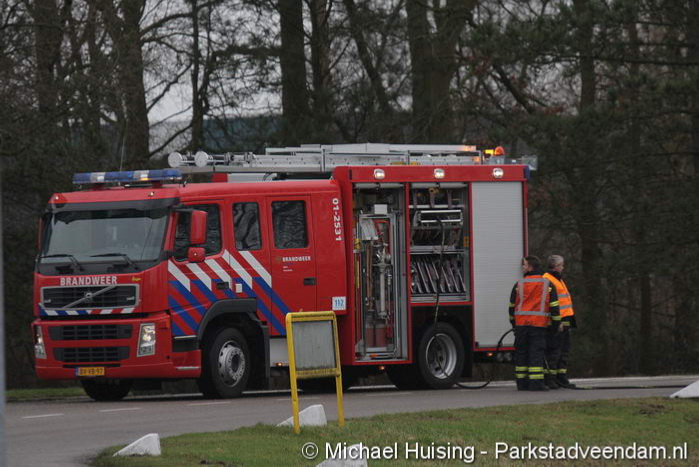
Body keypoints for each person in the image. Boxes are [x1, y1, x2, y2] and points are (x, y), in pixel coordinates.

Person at [509, 256, 560, 391]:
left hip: (521, 325)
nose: (523, 267)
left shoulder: (519, 284)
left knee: (521, 353)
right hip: (538, 325)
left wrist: (514, 324)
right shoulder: (547, 284)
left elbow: (512, 306)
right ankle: (536, 384)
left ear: (531, 267)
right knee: (536, 353)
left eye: (524, 265)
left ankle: (522, 383)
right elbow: (554, 308)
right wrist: (555, 327)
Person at [544, 255, 577, 389]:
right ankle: (551, 378)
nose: (563, 267)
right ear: (556, 266)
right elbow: (549, 304)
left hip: (566, 319)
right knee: (555, 351)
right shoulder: (547, 279)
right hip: (557, 321)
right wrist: (556, 322)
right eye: (561, 265)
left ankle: (561, 377)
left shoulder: (557, 279)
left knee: (564, 350)